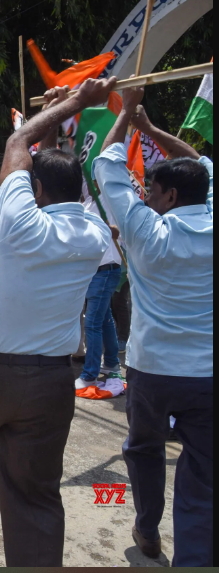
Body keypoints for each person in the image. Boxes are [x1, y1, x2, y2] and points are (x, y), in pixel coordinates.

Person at [0, 81, 113, 567]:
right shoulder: (93, 233)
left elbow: (16, 147)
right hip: (52, 380)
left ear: (33, 191)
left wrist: (74, 103)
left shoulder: (20, 223)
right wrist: (56, 119)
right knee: (34, 490)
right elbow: (54, 174)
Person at [96, 85, 213, 567]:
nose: (145, 194)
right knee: (203, 473)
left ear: (168, 194)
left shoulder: (146, 228)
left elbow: (106, 164)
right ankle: (194, 558)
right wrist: (153, 131)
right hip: (207, 375)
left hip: (151, 369)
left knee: (143, 449)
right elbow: (201, 167)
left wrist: (127, 116)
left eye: (152, 190)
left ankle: (147, 528)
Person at [75, 181, 124, 388]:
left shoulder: (108, 200)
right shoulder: (85, 205)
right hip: (94, 270)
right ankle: (111, 363)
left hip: (106, 268)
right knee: (104, 319)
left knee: (92, 323)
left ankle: (89, 375)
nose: (87, 184)